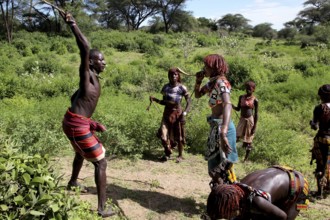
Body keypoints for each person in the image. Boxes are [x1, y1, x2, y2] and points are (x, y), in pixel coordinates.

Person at [60, 12, 114, 217]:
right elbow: (84, 47)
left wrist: (89, 121)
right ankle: (101, 209)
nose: (104, 63)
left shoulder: (93, 79)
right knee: (101, 162)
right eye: (100, 60)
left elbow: (76, 101)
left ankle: (73, 182)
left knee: (80, 153)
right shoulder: (86, 75)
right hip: (76, 125)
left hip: (76, 123)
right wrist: (73, 24)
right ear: (90, 62)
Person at [194, 54, 238, 184]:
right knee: (215, 170)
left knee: (220, 169)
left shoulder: (221, 82)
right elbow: (197, 95)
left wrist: (223, 132)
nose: (204, 68)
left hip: (223, 127)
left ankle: (225, 197)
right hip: (216, 126)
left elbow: (227, 104)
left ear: (214, 68)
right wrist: (198, 81)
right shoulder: (212, 83)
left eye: (206, 66)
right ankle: (223, 196)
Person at [206, 166, 310, 220]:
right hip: (279, 172)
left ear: (231, 205)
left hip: (298, 186)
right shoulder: (235, 190)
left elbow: (282, 216)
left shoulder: (257, 201)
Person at [149, 67, 191, 163]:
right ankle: (167, 152)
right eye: (172, 74)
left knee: (179, 136)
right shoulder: (165, 87)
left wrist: (185, 113)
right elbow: (164, 102)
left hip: (178, 113)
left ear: (178, 75)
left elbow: (189, 101)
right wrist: (155, 99)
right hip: (167, 114)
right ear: (169, 76)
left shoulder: (182, 88)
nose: (174, 76)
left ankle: (180, 155)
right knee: (163, 136)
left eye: (176, 74)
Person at [310, 84, 330, 198]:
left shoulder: (319, 108)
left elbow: (315, 127)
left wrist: (312, 124)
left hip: (322, 139)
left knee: (320, 165)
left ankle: (319, 192)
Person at [232, 80, 259, 162]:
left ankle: (246, 159)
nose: (248, 90)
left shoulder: (255, 100)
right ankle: (230, 155)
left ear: (253, 89)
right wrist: (231, 105)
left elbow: (256, 114)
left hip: (250, 121)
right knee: (235, 137)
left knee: (248, 140)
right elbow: (238, 108)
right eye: (246, 88)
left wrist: (254, 126)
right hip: (242, 119)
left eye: (250, 88)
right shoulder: (241, 97)